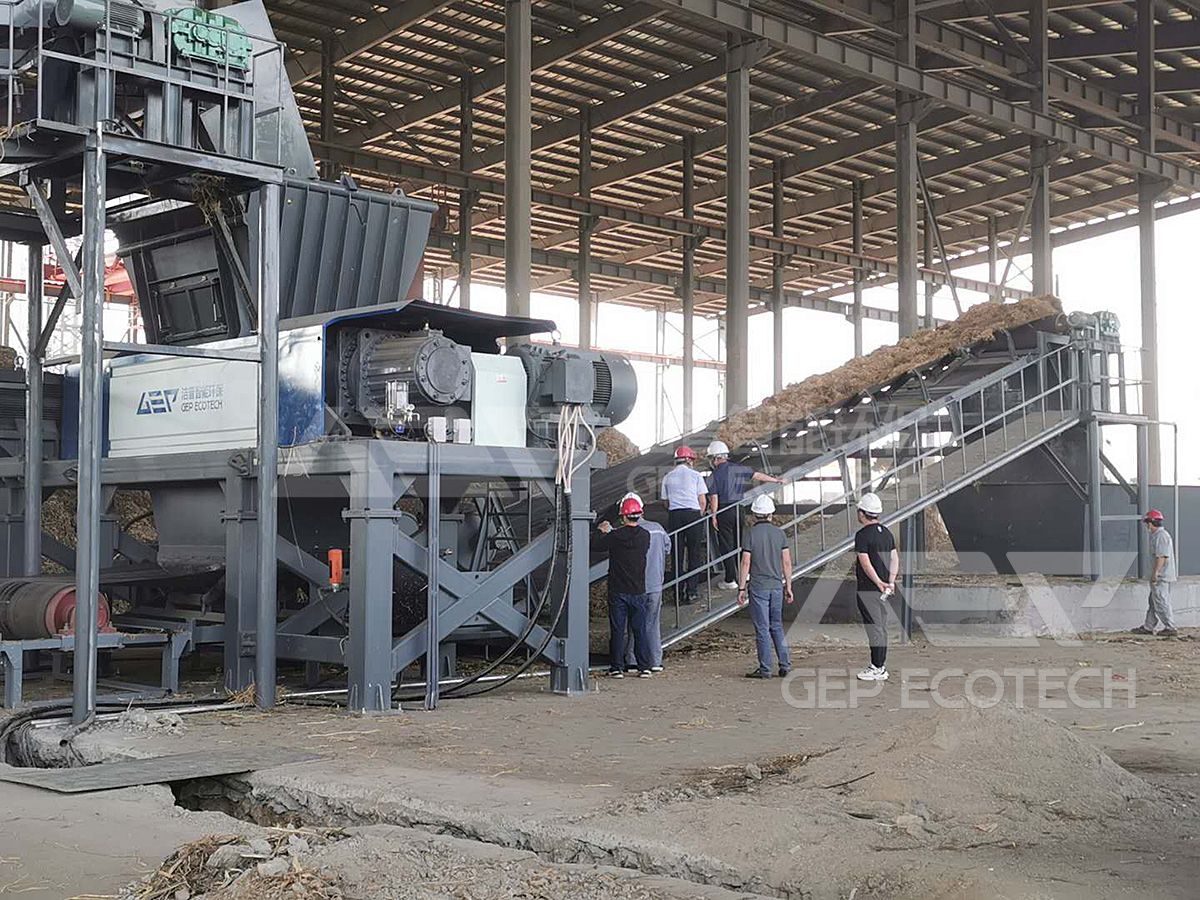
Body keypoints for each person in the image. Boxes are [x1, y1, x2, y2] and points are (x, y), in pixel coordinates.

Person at [705, 440, 785, 590]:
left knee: (726, 546)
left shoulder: (713, 476)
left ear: (716, 458)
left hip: (723, 511)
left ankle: (731, 580)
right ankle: (745, 574)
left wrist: (714, 515)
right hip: (738, 509)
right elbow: (757, 475)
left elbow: (714, 497)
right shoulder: (737, 469)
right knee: (739, 543)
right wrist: (776, 480)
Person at [596, 496, 655, 678]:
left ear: (623, 517)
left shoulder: (615, 536)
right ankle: (644, 666)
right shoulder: (645, 536)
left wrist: (601, 531)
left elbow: (596, 545)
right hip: (638, 589)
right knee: (640, 630)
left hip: (618, 590)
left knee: (618, 630)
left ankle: (616, 668)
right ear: (640, 515)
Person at [737, 494, 793, 678]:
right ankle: (785, 664)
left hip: (759, 586)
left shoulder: (750, 534)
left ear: (754, 514)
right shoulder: (780, 533)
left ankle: (765, 668)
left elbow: (745, 562)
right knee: (776, 626)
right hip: (776, 586)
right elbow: (786, 562)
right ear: (771, 514)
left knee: (762, 628)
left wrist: (741, 587)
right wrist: (789, 586)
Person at [619, 492, 670, 673]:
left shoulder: (626, 533)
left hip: (635, 584)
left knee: (634, 624)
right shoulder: (657, 528)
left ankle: (632, 660)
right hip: (656, 583)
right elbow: (667, 548)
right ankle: (655, 660)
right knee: (652, 623)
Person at [853, 492, 898, 682]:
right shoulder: (887, 533)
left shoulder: (862, 535)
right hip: (885, 589)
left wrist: (877, 581)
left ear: (862, 513)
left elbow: (865, 562)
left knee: (874, 627)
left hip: (868, 588)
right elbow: (895, 558)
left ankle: (877, 667)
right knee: (880, 626)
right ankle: (880, 664)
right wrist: (891, 580)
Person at [660, 445, 708, 603]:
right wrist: (698, 516)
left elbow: (665, 503)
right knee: (694, 553)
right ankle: (692, 591)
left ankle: (678, 593)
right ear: (688, 459)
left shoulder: (667, 477)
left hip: (675, 515)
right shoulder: (696, 475)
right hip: (693, 514)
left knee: (677, 556)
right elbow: (702, 500)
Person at [1131, 509, 1178, 638]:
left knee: (1161, 601)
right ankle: (1148, 626)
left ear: (1151, 523)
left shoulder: (1161, 536)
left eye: (1147, 523)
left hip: (1161, 576)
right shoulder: (1158, 536)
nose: (1147, 526)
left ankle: (1170, 627)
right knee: (1153, 601)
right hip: (1161, 575)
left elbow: (1161, 557)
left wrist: (1155, 573)